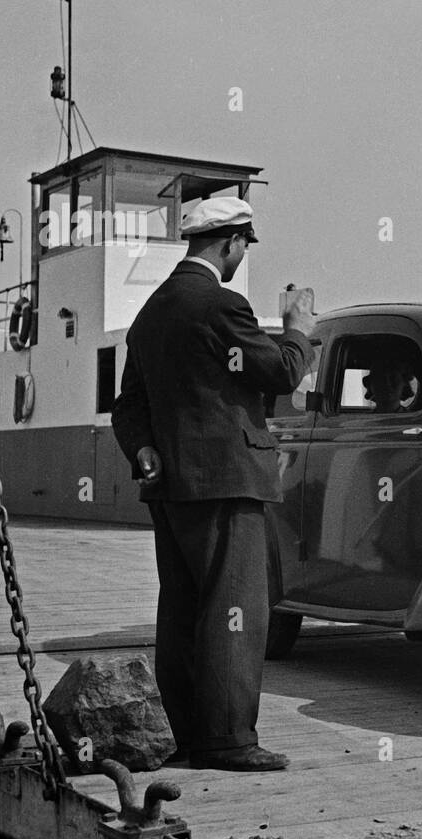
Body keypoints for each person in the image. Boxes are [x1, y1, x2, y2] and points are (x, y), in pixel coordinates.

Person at [111, 196, 316, 772]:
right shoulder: (223, 305)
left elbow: (127, 409)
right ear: (230, 243)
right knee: (235, 610)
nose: (243, 254)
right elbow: (279, 372)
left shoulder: (150, 314)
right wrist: (298, 332)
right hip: (227, 482)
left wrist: (145, 450)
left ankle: (193, 736)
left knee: (182, 611)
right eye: (246, 244)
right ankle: (228, 741)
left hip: (170, 488)